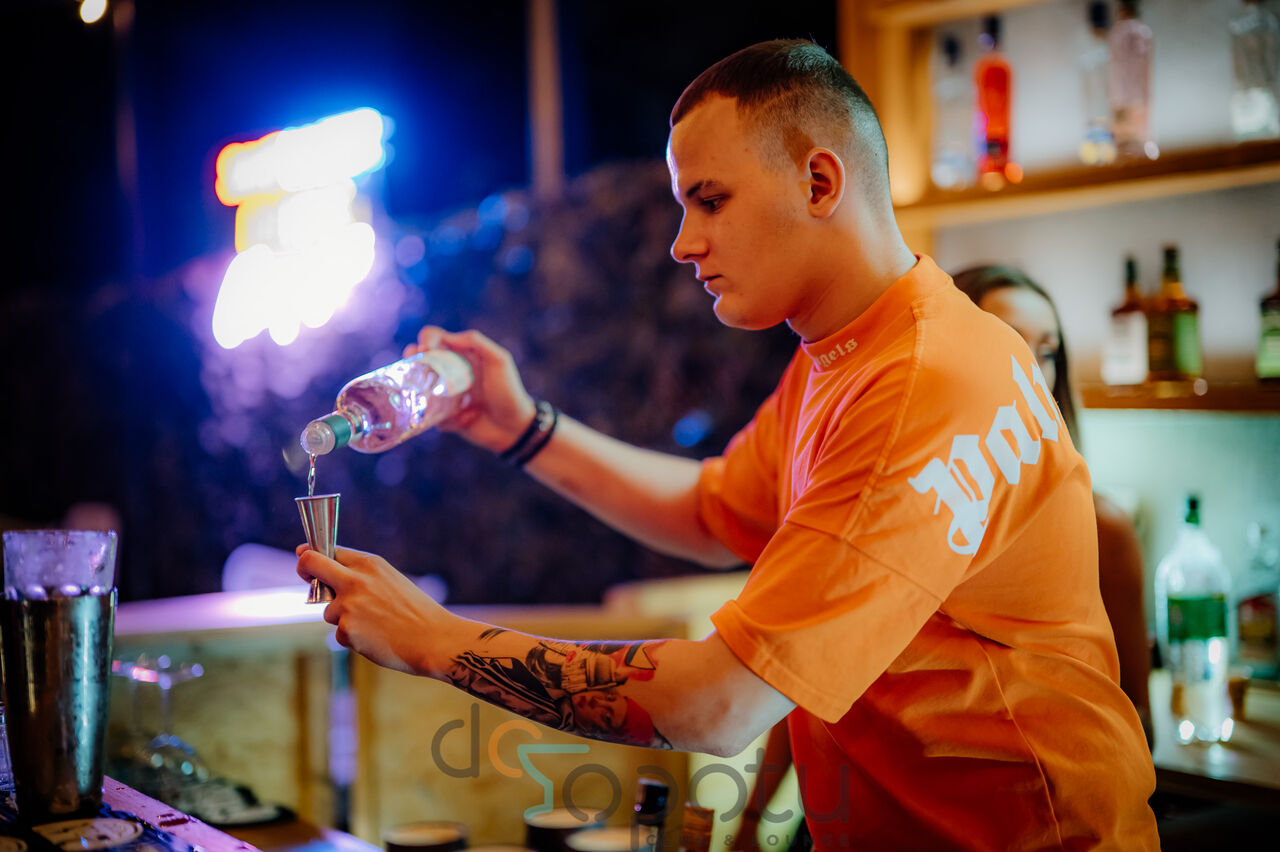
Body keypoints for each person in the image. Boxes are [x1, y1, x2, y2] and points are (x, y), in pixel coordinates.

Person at [296, 39, 1159, 848]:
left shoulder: (919, 383)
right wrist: (523, 428)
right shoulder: (847, 353)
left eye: (710, 201)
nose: (684, 243)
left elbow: (716, 704)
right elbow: (712, 511)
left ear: (820, 182)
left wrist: (436, 642)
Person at [951, 264, 1153, 747]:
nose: (1033, 374)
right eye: (1009, 345)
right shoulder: (917, 514)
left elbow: (1138, 723)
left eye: (1046, 352)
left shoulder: (1101, 527)